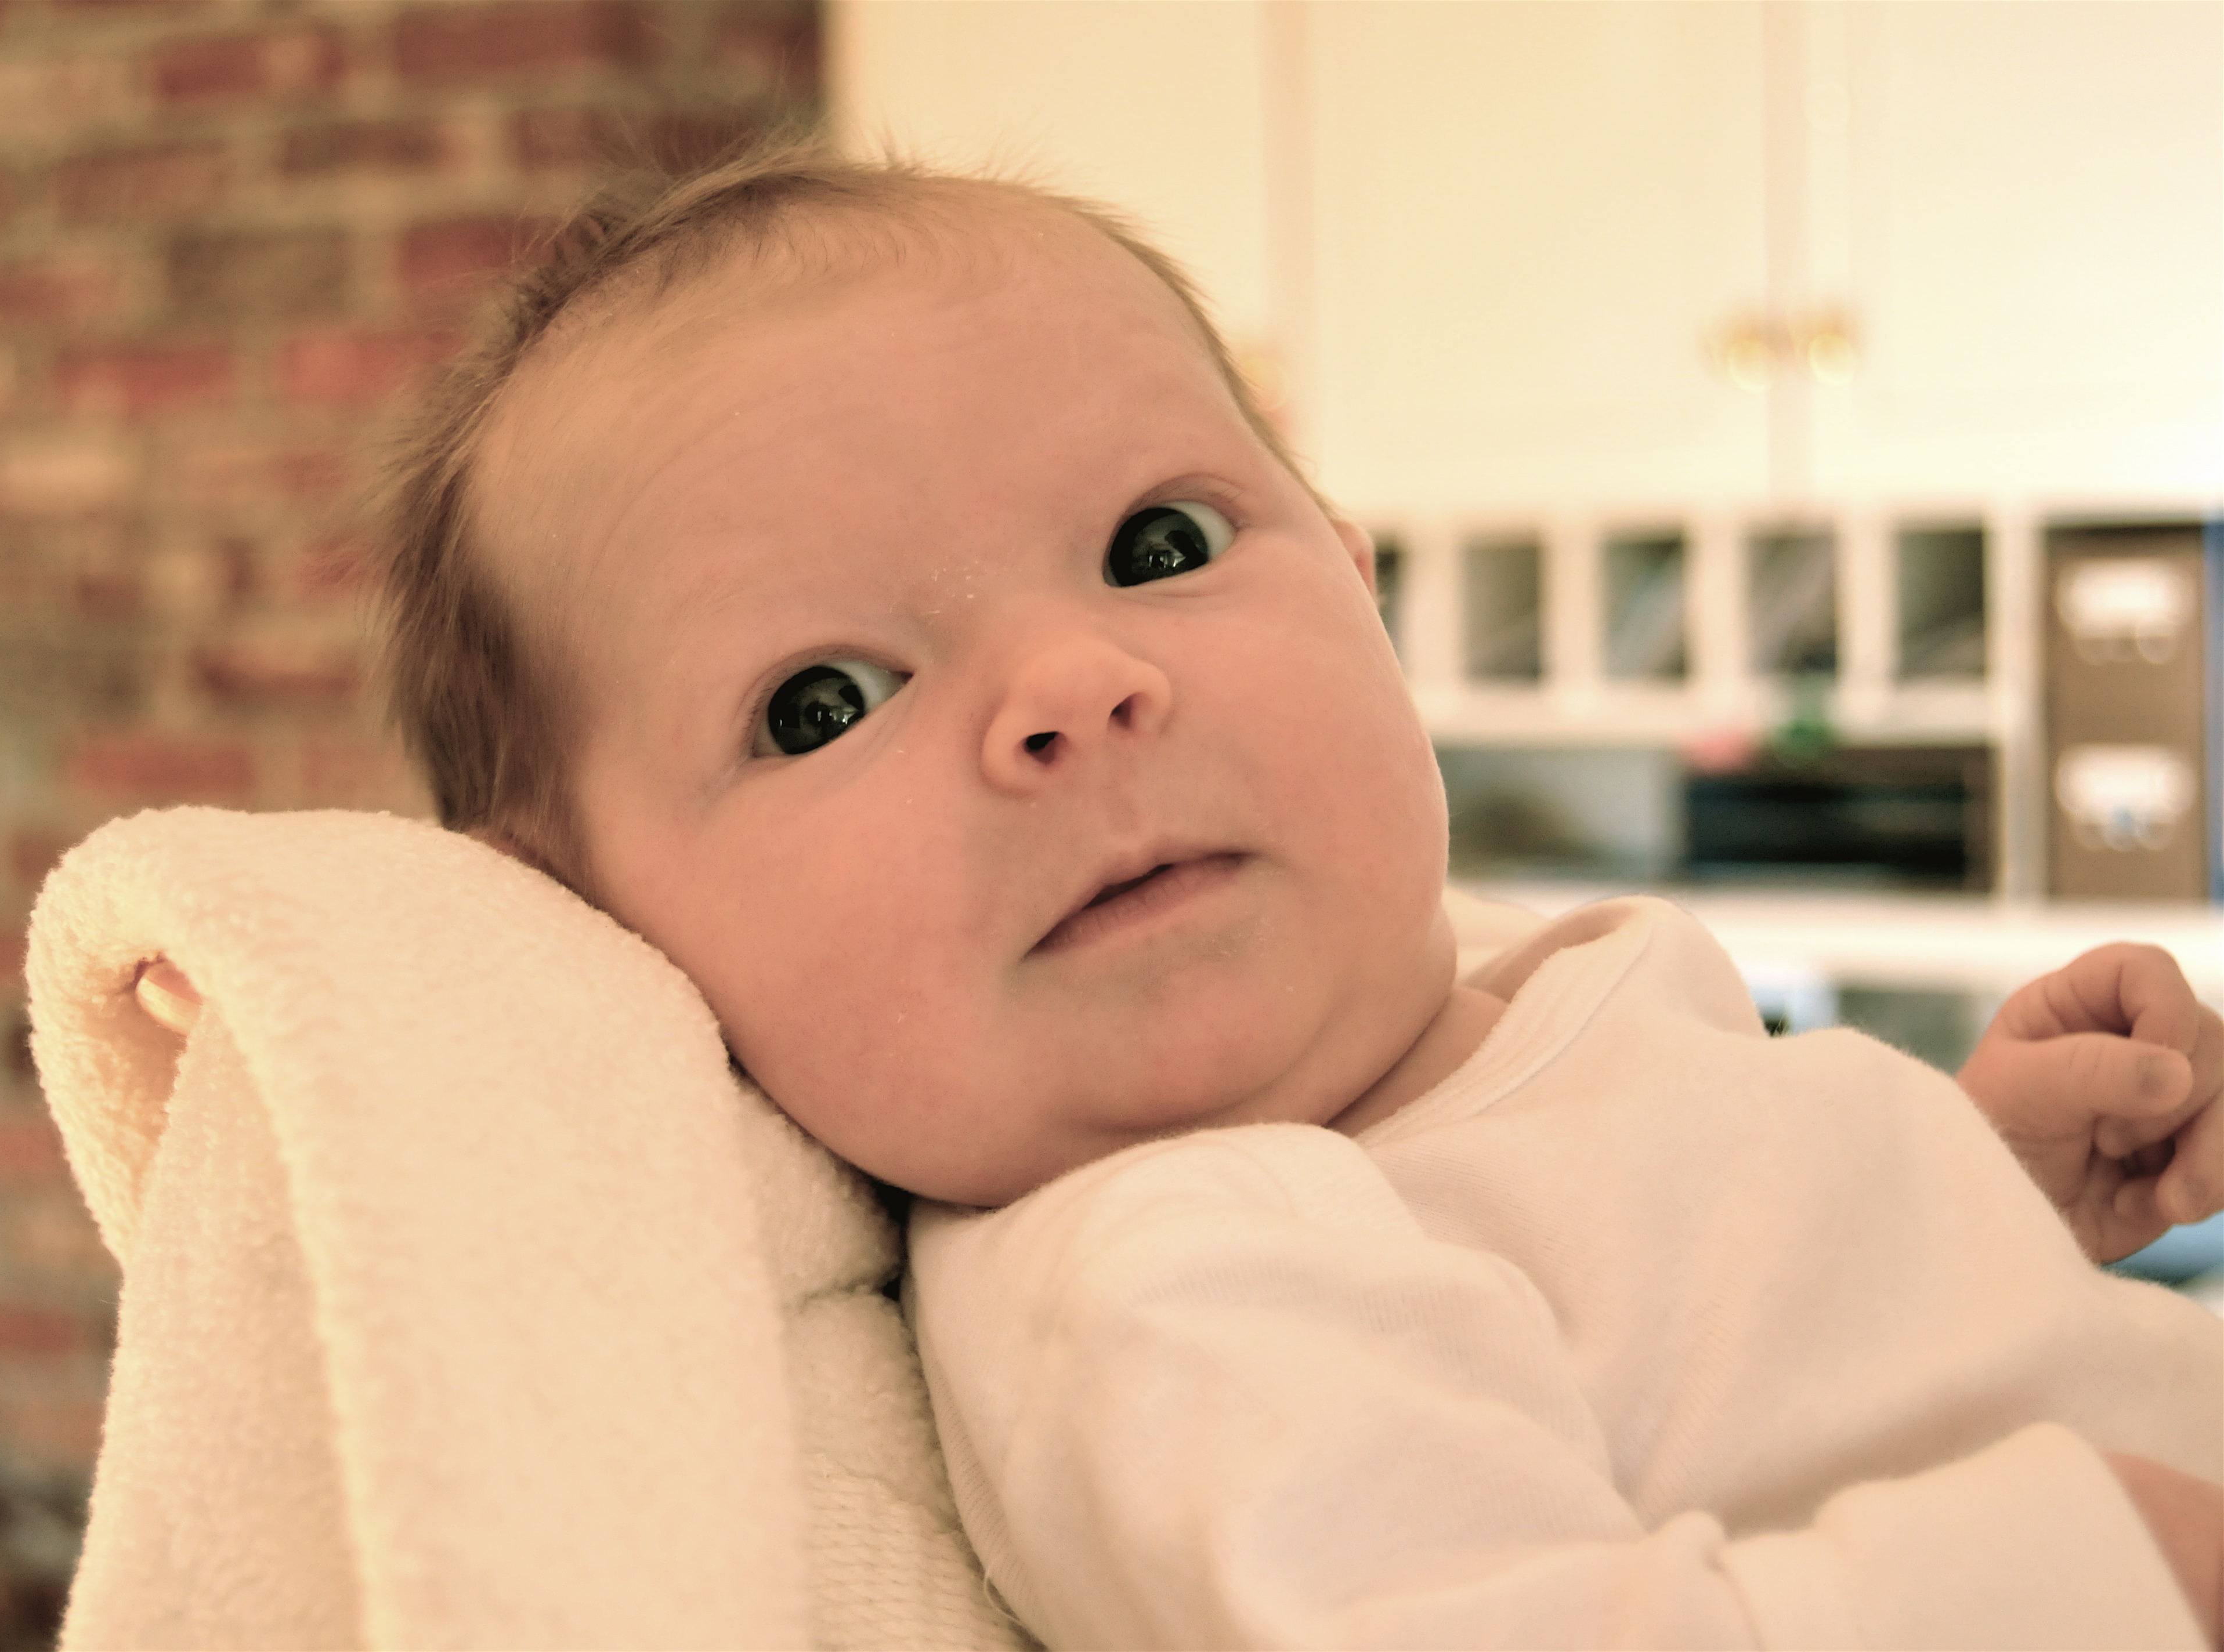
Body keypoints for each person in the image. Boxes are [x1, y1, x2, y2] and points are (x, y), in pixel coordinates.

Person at [353, 140, 2222, 1646]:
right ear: (599, 928)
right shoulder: (1184, 1285)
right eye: (823, 700)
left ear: (1353, 576)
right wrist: (2121, 1572)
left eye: (1156, 543)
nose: (1072, 684)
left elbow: (1715, 1338)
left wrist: (1966, 1188)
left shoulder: (1467, 1021)